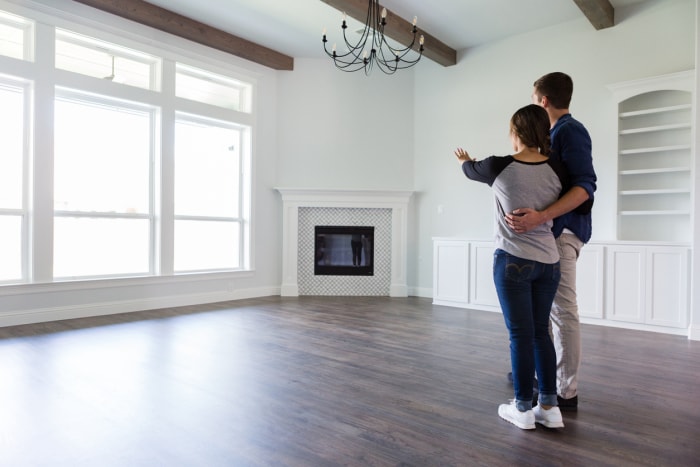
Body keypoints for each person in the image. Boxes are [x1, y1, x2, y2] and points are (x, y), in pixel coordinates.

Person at [455, 104, 567, 430]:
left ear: (515, 132)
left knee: (520, 335)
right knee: (541, 333)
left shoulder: (498, 166)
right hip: (549, 262)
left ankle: (522, 408)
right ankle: (549, 406)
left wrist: (464, 159)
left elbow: (468, 170)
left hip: (513, 260)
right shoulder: (559, 169)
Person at [505, 72, 597, 412]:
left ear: (542, 101)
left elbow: (585, 187)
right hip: (546, 236)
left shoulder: (569, 131)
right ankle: (536, 378)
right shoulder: (552, 135)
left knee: (562, 312)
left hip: (561, 234)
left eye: (533, 98)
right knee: (538, 314)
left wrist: (542, 217)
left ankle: (565, 391)